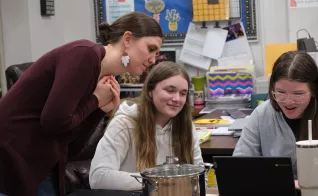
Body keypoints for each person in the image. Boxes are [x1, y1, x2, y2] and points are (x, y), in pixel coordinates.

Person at [0, 11, 163, 196]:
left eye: (157, 53)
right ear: (127, 39)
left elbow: (72, 147)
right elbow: (53, 122)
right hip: (14, 156)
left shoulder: (101, 76)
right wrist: (94, 101)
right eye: (151, 49)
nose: (153, 60)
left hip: (41, 161)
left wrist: (100, 110)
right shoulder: (85, 54)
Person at [89, 62, 204, 190]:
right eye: (170, 90)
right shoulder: (124, 123)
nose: (177, 98)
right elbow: (98, 177)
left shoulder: (186, 126)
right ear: (150, 91)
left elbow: (199, 175)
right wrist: (158, 182)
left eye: (183, 93)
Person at [233, 51, 318, 190]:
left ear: (314, 90)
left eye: (298, 94)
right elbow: (238, 168)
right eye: (281, 92)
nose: (288, 102)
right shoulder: (262, 115)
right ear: (272, 88)